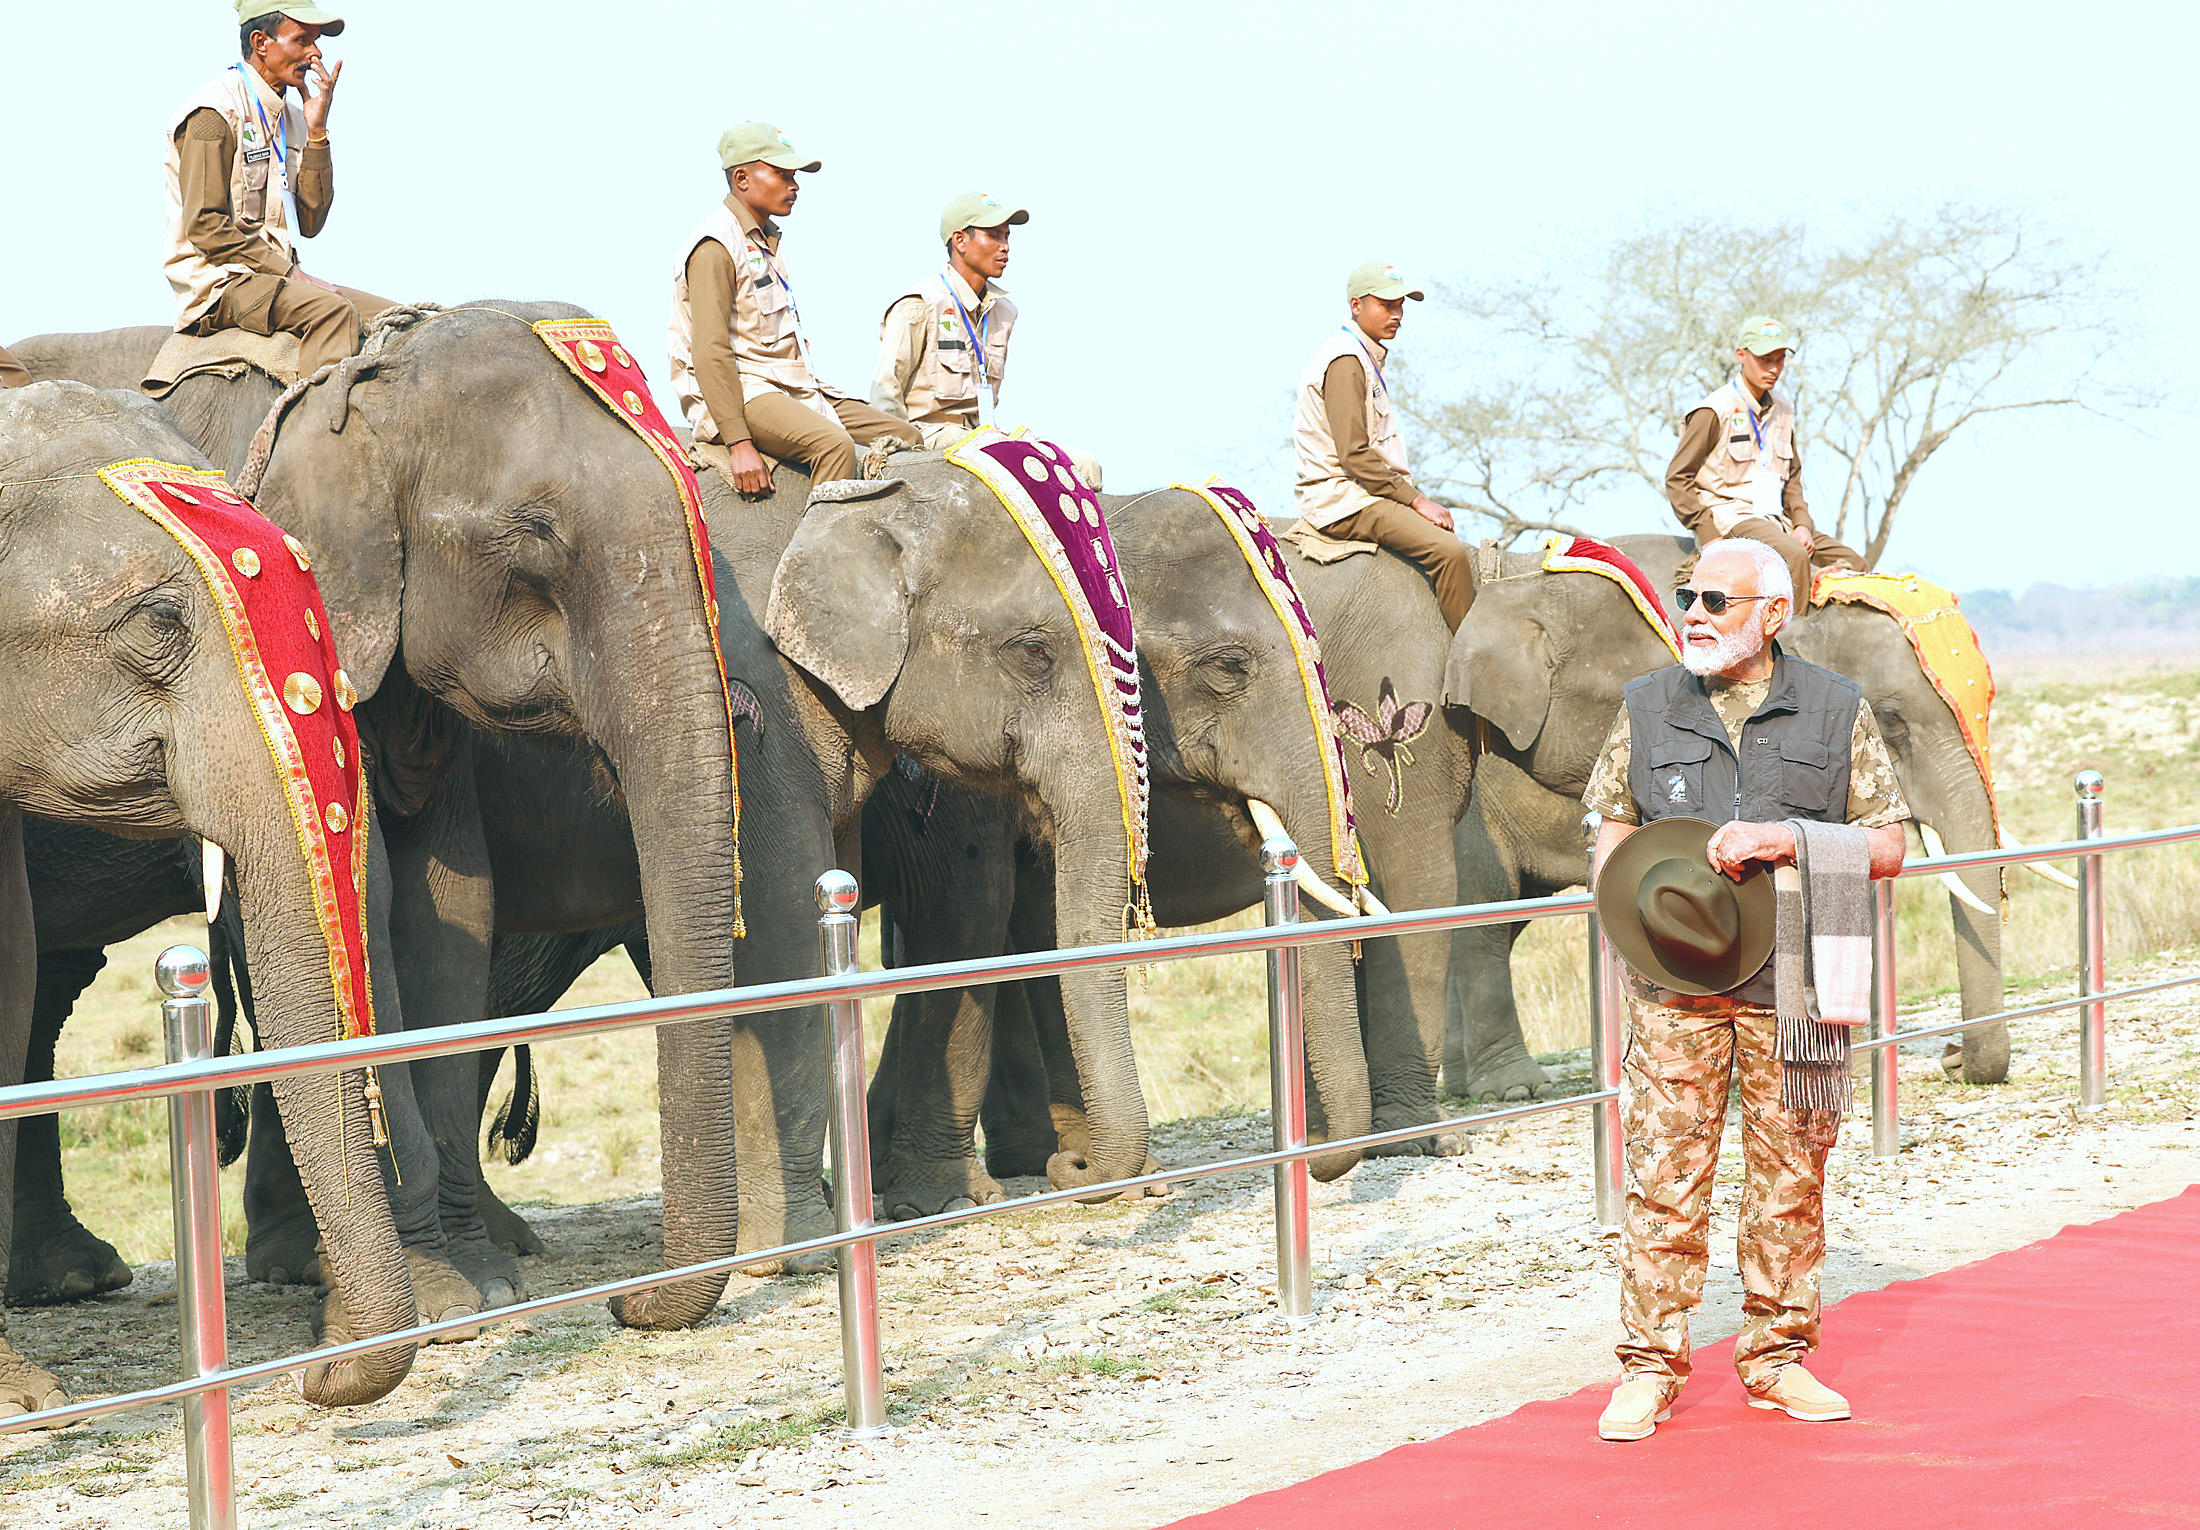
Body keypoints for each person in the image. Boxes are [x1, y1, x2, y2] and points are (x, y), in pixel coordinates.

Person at [1581, 537, 1908, 1443]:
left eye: (1716, 600)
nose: (1694, 611)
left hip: (1797, 979)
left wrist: (1783, 840)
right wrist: (1626, 921)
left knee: (1790, 1178)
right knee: (1664, 1179)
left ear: (1773, 613)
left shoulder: (1835, 710)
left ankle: (1776, 1360)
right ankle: (1649, 1368)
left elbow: (1888, 845)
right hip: (1673, 986)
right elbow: (1611, 823)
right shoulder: (1646, 707)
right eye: (1689, 594)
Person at [669, 122, 921, 494]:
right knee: (835, 445)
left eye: (795, 176)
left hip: (791, 385)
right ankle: (822, 553)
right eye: (783, 174)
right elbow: (709, 352)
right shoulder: (715, 246)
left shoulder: (763, 240)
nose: (795, 185)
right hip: (743, 389)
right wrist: (738, 443)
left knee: (905, 435)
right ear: (742, 178)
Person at [164, 4, 390, 379]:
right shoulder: (213, 113)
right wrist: (290, 273)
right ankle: (320, 431)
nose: (315, 54)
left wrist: (318, 132)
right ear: (261, 42)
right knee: (333, 311)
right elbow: (204, 226)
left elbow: (312, 220)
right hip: (223, 287)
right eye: (301, 40)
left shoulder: (293, 118)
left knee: (404, 321)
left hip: (278, 280)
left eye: (316, 43)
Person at [871, 194, 1104, 486]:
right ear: (960, 241)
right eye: (993, 236)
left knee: (1084, 465)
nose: (1005, 246)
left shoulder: (1003, 312)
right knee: (1005, 459)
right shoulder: (919, 305)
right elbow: (886, 392)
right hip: (928, 438)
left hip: (982, 437)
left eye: (1007, 236)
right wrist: (898, 459)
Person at [1291, 262, 1474, 630]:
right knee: (1449, 552)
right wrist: (1416, 499)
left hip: (1363, 492)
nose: (1397, 315)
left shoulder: (1362, 354)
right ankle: (1471, 663)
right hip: (1343, 498)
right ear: (1356, 305)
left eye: (1401, 305)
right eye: (1386, 305)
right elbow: (1354, 454)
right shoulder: (1345, 360)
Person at [1666, 316, 1864, 601]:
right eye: (1765, 359)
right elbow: (1677, 478)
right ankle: (1793, 638)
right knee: (1795, 556)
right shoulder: (1714, 409)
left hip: (1776, 520)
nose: (1774, 369)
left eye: (1780, 359)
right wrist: (1708, 534)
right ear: (1741, 355)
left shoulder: (1783, 408)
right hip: (1732, 516)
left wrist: (1802, 524)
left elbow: (1792, 478)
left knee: (1856, 564)